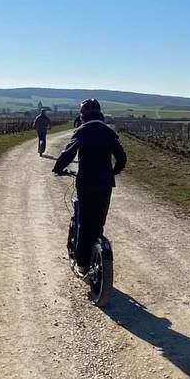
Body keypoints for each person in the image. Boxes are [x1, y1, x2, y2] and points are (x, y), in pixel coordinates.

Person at [53, 99, 127, 271]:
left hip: (86, 183)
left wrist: (58, 168)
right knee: (98, 222)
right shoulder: (108, 132)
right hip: (105, 185)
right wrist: (113, 172)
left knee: (84, 223)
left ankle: (82, 263)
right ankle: (97, 253)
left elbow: (68, 153)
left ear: (83, 116)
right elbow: (122, 158)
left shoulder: (83, 130)